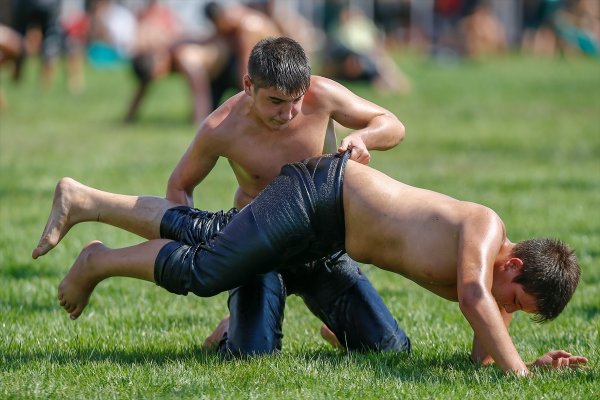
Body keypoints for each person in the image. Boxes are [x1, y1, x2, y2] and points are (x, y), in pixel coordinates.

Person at [32, 151, 586, 375]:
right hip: (320, 196)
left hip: (328, 244)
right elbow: (475, 300)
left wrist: (527, 366)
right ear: (513, 265)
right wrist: (520, 380)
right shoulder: (485, 231)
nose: (507, 310)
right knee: (208, 259)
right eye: (515, 300)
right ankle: (97, 250)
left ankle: (91, 207)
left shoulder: (497, 289)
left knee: (388, 349)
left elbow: (478, 361)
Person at [154, 36, 409, 356]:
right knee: (250, 356)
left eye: (296, 101)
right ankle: (229, 330)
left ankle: (344, 329)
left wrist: (363, 137)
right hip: (259, 252)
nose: (288, 113)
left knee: (391, 350)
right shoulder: (221, 126)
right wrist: (203, 252)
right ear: (249, 85)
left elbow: (392, 124)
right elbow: (179, 185)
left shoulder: (322, 94)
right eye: (276, 101)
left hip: (321, 247)